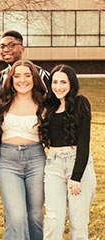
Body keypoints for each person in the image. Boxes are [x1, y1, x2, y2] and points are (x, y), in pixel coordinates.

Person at [40, 65, 96, 239]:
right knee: (53, 219)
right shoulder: (49, 107)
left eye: (63, 82)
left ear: (71, 83)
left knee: (78, 222)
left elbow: (84, 142)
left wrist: (76, 177)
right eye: (55, 82)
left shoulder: (80, 103)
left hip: (77, 164)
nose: (58, 86)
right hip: (53, 166)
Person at [0, 60, 47, 240]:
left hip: (36, 160)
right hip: (8, 162)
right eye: (17, 76)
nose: (22, 80)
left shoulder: (44, 104)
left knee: (35, 216)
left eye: (27, 75)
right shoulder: (2, 102)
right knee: (16, 216)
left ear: (34, 78)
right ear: (11, 79)